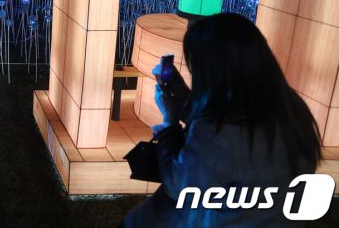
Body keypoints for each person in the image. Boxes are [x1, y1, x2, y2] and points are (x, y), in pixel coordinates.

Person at [124, 13, 322, 227]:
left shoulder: (221, 127)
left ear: (212, 71)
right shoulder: (290, 105)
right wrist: (188, 103)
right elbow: (233, 152)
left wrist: (169, 123)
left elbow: (178, 185)